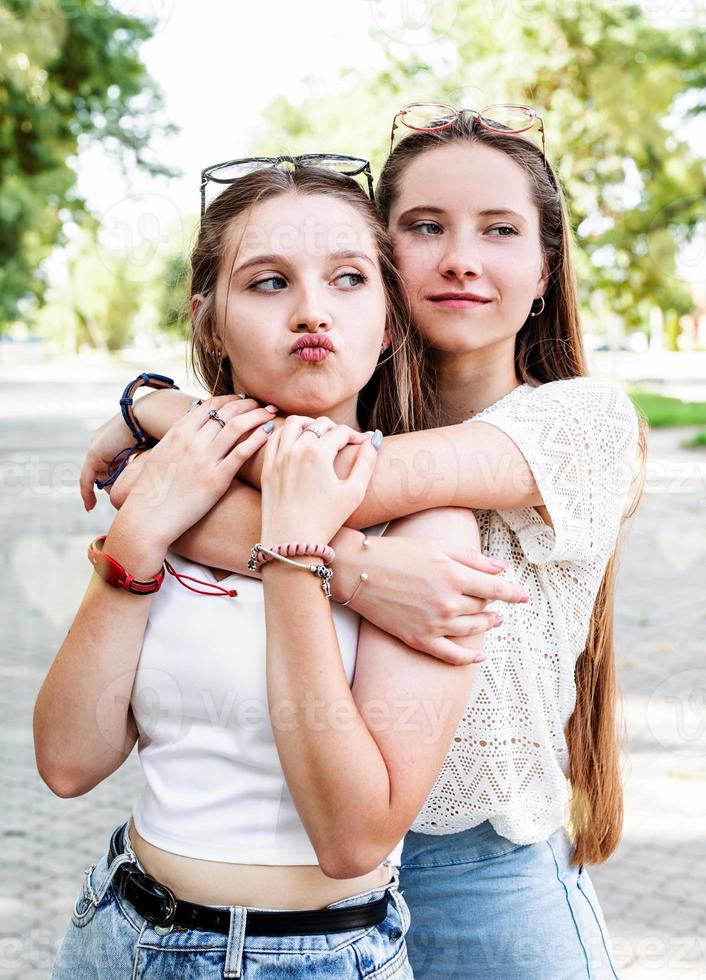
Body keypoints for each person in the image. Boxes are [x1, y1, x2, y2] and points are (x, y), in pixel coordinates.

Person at [80, 106, 644, 979]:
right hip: (310, 884)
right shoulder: (328, 402)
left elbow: (332, 482)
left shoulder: (581, 421)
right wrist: (369, 574)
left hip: (483, 884)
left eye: (500, 231)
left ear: (544, 272)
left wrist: (154, 421)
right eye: (425, 227)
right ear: (383, 265)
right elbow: (271, 501)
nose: (461, 256)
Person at [35, 161, 521, 979]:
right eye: (267, 282)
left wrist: (297, 557)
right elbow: (68, 763)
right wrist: (143, 530)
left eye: (347, 280)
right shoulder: (175, 487)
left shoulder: (427, 531)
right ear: (211, 323)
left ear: (390, 322)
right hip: (117, 931)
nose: (311, 312)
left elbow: (352, 837)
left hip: (317, 957)